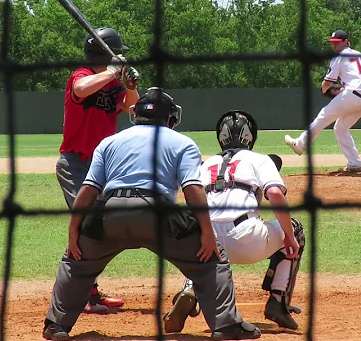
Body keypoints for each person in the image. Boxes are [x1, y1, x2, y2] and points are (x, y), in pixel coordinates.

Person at [42, 88, 260, 341]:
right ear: (171, 118)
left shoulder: (110, 142)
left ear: (135, 114)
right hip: (157, 215)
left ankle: (56, 326)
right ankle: (226, 326)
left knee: (76, 262)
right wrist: (208, 234)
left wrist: (74, 232)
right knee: (214, 258)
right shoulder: (182, 142)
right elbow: (193, 190)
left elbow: (89, 189)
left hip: (109, 214)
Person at [166, 110, 305, 332]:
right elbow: (276, 195)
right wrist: (288, 236)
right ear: (251, 137)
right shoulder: (259, 159)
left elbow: (191, 201)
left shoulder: (206, 164)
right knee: (296, 229)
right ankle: (278, 302)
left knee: (199, 249)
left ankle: (190, 290)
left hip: (209, 244)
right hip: (247, 239)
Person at [55, 27, 140, 314]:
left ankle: (87, 290)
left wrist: (129, 85)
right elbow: (80, 90)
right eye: (117, 53)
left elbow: (134, 110)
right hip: (75, 165)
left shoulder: (112, 83)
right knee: (88, 225)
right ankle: (82, 295)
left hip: (103, 166)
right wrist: (113, 72)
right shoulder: (79, 75)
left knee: (103, 227)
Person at [284, 29, 361, 173]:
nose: (334, 46)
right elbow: (357, 77)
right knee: (340, 127)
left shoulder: (339, 57)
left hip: (353, 94)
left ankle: (300, 144)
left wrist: (324, 90)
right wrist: (342, 89)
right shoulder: (358, 54)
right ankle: (355, 164)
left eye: (337, 43)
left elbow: (327, 83)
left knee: (323, 115)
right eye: (332, 43)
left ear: (346, 42)